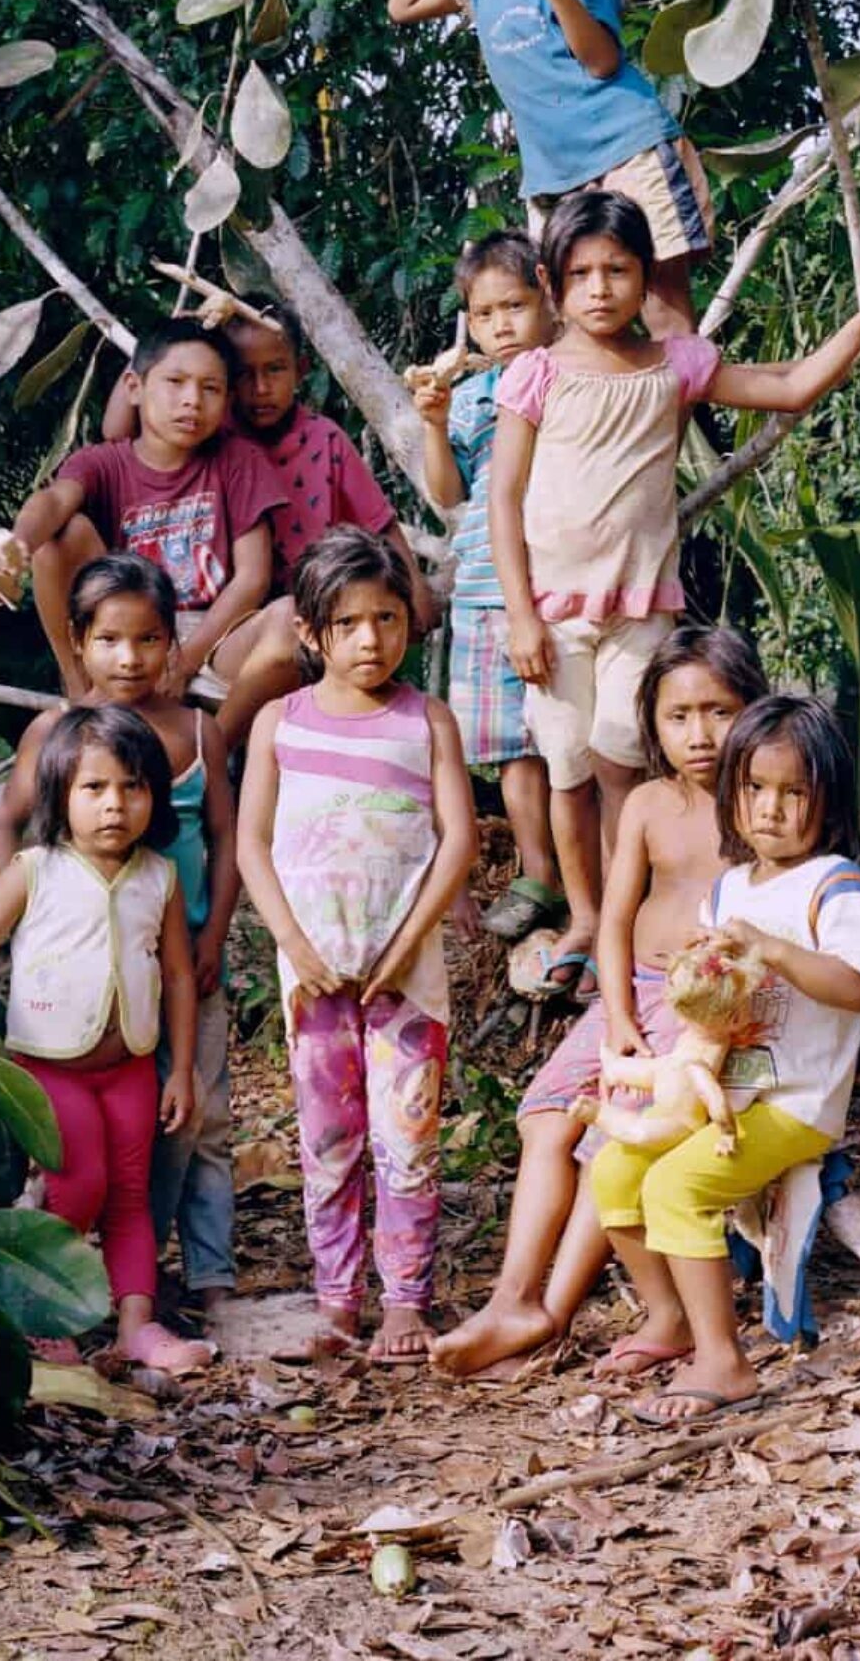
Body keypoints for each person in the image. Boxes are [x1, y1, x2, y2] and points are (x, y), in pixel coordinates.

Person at [489, 189, 860, 1003]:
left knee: (624, 758)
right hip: (551, 612)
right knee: (566, 768)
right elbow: (503, 498)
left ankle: (628, 911)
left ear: (645, 277)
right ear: (553, 284)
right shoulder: (535, 374)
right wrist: (518, 613)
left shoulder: (675, 365)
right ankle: (585, 918)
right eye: (580, 274)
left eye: (617, 270)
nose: (599, 289)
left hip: (641, 606)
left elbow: (791, 387)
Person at [432, 627, 765, 1380]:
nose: (700, 733)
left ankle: (553, 1307)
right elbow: (613, 920)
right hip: (632, 992)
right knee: (550, 1118)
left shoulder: (761, 807)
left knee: (610, 1141)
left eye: (719, 711)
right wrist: (614, 1016)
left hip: (703, 1010)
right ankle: (512, 1297)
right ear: (651, 723)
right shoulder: (647, 803)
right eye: (679, 716)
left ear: (753, 709)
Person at [590, 695, 860, 1425]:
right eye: (755, 789)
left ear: (829, 801)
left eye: (794, 793)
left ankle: (724, 1360)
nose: (771, 810)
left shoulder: (836, 884)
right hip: (727, 1090)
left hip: (794, 1102)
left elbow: (858, 986)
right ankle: (670, 1318)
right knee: (615, 1170)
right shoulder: (728, 888)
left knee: (676, 1188)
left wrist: (775, 950)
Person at [0, 703, 215, 1374]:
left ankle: (136, 1323)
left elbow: (179, 977)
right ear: (61, 795)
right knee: (80, 1188)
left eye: (133, 788)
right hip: (51, 1068)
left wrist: (182, 1069)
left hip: (131, 1066)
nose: (116, 805)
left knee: (132, 1195)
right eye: (95, 788)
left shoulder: (157, 877)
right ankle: (44, 1312)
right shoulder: (35, 870)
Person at [237, 527, 477, 1360]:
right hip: (314, 979)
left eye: (386, 619)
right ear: (310, 634)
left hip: (404, 980)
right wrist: (294, 947)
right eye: (347, 624)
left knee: (407, 1141)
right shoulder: (278, 723)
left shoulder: (428, 722)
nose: (370, 639)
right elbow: (251, 846)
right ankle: (337, 1300)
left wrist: (410, 943)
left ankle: (406, 1300)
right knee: (327, 1142)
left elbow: (458, 842)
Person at [0, 557, 240, 1325]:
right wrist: (27, 916)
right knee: (92, 1133)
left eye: (149, 639)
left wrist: (214, 933)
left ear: (172, 642)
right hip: (84, 979)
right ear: (79, 642)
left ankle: (209, 1274)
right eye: (110, 640)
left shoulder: (197, 728)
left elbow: (225, 839)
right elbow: (4, 826)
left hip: (187, 962)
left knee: (197, 1118)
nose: (130, 659)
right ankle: (81, 1274)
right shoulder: (60, 734)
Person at [387, 0, 713, 337]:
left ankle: (678, 413)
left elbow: (602, 62)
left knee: (660, 302)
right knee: (576, 321)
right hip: (557, 177)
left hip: (630, 151)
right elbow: (402, 8)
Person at [102, 301, 436, 746]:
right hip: (227, 621)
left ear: (300, 369)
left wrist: (416, 590)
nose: (260, 388)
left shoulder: (324, 439)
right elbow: (115, 430)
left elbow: (378, 523)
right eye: (242, 373)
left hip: (305, 614)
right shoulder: (212, 435)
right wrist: (180, 333)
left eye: (275, 370)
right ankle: (210, 754)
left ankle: (214, 750)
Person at [0, 317, 285, 712]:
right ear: (135, 388)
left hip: (215, 636)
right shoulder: (102, 464)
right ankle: (82, 693)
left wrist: (185, 660)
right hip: (127, 633)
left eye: (210, 388)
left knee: (289, 622)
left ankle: (211, 749)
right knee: (62, 536)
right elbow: (54, 501)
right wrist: (16, 545)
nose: (192, 399)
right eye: (175, 383)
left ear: (226, 402)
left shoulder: (238, 460)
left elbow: (253, 578)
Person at [412, 231, 559, 943]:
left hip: (559, 588)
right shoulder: (472, 397)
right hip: (479, 594)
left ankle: (586, 870)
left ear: (547, 299)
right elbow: (450, 495)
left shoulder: (572, 377)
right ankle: (539, 875)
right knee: (511, 748)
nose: (501, 325)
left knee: (570, 742)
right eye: (484, 313)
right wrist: (435, 426)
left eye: (516, 306)